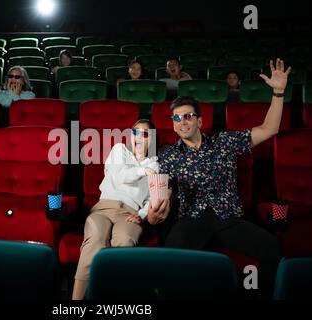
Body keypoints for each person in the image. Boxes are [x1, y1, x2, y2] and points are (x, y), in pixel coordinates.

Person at [151, 59, 291, 298]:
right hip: (191, 218)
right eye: (177, 119)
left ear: (200, 121)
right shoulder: (168, 155)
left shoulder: (223, 142)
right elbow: (165, 191)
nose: (182, 122)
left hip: (228, 217)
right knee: (170, 256)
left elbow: (269, 129)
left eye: (187, 117)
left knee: (272, 247)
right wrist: (157, 213)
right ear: (173, 126)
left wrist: (278, 92)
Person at [72, 119, 159, 300]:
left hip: (130, 213)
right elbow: (120, 175)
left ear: (151, 139)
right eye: (135, 132)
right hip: (103, 208)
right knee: (95, 237)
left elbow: (152, 198)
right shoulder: (120, 151)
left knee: (124, 240)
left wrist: (142, 215)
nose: (139, 137)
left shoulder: (155, 165)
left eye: (144, 134)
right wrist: (143, 172)